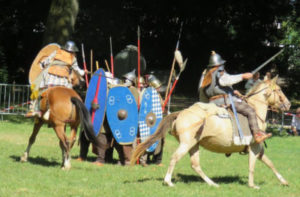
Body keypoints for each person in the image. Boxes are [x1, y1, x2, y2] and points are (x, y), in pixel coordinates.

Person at [201, 51, 272, 144]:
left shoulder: (207, 75)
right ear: (219, 64)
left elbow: (216, 88)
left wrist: (232, 91)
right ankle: (257, 135)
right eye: (222, 64)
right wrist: (243, 76)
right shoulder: (218, 72)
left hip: (213, 102)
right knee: (250, 111)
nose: (223, 65)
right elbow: (226, 80)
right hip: (226, 101)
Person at [25, 41, 86, 118]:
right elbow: (78, 70)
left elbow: (45, 63)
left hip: (49, 79)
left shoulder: (56, 52)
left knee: (39, 90)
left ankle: (34, 109)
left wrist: (42, 64)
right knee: (69, 91)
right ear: (73, 50)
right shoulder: (73, 58)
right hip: (63, 81)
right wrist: (84, 71)